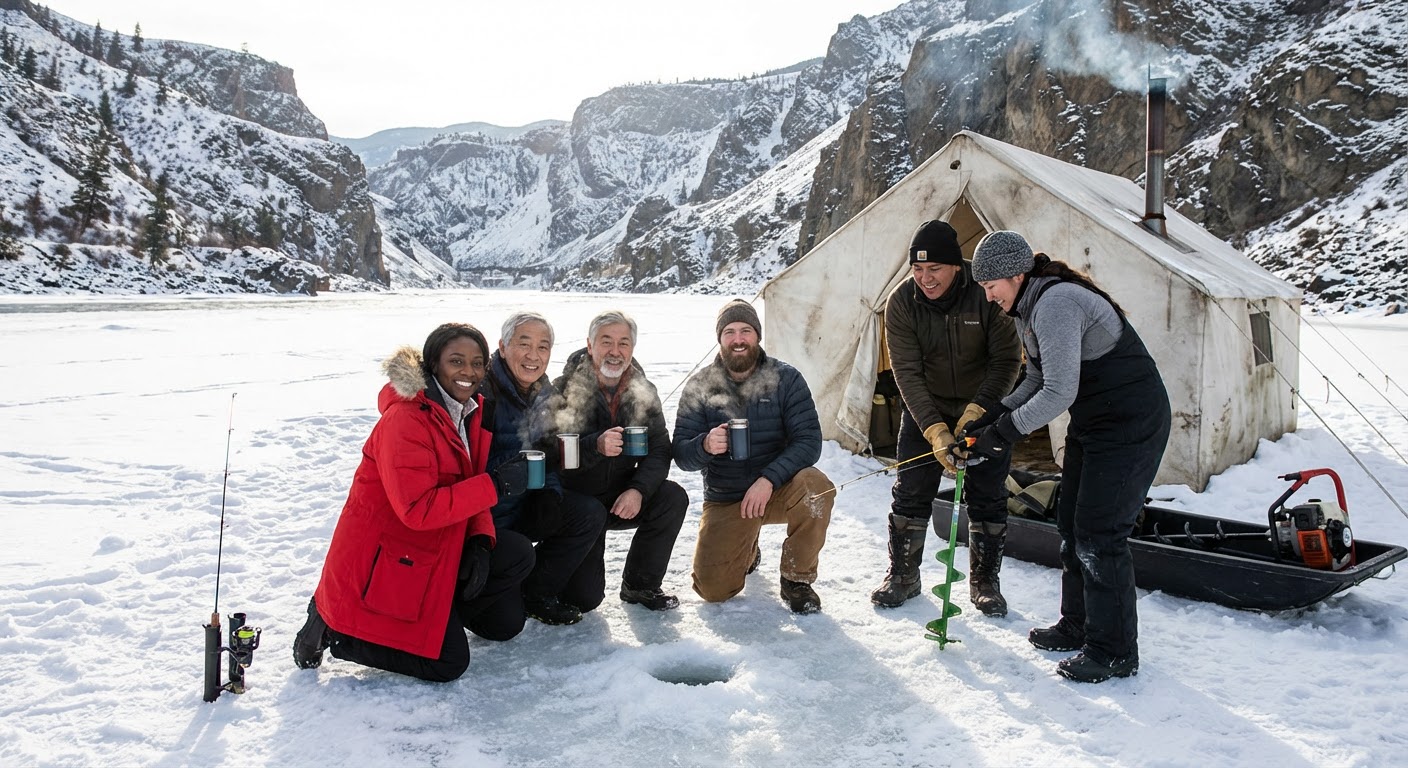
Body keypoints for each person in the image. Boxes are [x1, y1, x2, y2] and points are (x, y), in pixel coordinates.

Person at [960, 231, 1171, 683]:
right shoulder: (1028, 308)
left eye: (991, 285)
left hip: (1129, 424)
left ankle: (1114, 651)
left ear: (1016, 274)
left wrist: (1004, 433)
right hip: (1094, 422)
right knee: (1072, 525)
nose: (989, 296)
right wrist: (995, 415)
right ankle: (1078, 625)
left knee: (1100, 535)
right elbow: (1037, 379)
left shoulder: (1056, 303)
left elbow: (1059, 391)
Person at [291, 323, 535, 682]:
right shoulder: (406, 418)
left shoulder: (468, 411)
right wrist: (496, 485)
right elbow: (417, 510)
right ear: (433, 364)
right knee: (449, 663)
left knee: (507, 610)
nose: (468, 372)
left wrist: (481, 540)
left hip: (440, 545)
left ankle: (443, 614)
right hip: (394, 558)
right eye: (456, 361)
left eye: (477, 363)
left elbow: (468, 484)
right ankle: (337, 632)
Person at [871, 220, 1021, 616]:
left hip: (985, 408)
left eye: (934, 268)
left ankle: (985, 583)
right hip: (927, 406)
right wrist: (935, 430)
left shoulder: (986, 290)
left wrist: (978, 410)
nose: (925, 279)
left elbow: (1007, 360)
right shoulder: (902, 302)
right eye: (917, 269)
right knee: (910, 491)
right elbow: (906, 372)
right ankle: (903, 575)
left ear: (956, 265)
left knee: (988, 494)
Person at [673, 299, 835, 614]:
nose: (738, 339)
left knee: (816, 488)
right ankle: (747, 546)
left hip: (777, 490)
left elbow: (809, 441)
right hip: (728, 496)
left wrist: (768, 479)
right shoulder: (700, 386)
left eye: (745, 330)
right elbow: (680, 453)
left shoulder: (786, 378)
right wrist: (704, 445)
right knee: (712, 590)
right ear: (719, 338)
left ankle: (796, 580)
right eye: (730, 332)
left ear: (757, 335)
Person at [550, 310, 688, 611]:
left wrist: (638, 489)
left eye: (623, 343)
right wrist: (594, 446)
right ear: (590, 346)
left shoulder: (643, 390)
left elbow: (659, 448)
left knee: (671, 497)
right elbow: (550, 453)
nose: (615, 351)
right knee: (583, 599)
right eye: (606, 342)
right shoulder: (562, 389)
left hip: (620, 494)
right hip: (579, 504)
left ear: (632, 348)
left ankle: (640, 585)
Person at [480, 311, 607, 626]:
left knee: (588, 513)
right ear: (503, 347)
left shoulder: (546, 394)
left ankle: (537, 593)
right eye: (524, 344)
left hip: (524, 505)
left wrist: (549, 492)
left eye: (543, 347)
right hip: (485, 517)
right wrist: (514, 473)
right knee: (503, 624)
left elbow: (547, 453)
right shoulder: (482, 393)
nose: (533, 356)